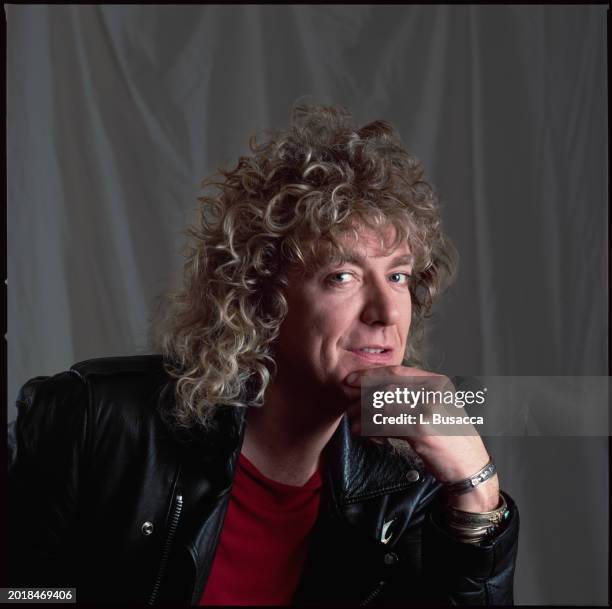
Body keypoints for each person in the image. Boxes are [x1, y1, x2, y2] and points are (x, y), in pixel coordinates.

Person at [7, 103, 519, 606]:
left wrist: (476, 490)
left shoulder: (405, 483)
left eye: (398, 276)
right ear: (260, 297)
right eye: (342, 276)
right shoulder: (96, 420)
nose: (386, 312)